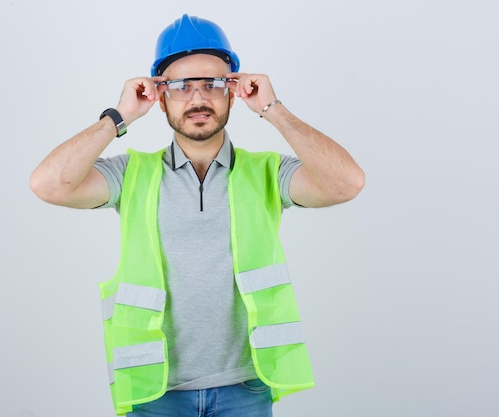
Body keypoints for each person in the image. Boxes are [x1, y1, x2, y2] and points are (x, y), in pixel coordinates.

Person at [30, 14, 364, 417]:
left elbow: (347, 183)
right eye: (181, 87)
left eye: (213, 84)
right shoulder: (130, 174)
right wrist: (117, 117)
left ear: (234, 91)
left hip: (246, 388)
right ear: (159, 96)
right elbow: (48, 185)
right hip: (155, 393)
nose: (198, 98)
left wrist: (273, 109)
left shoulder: (268, 173)